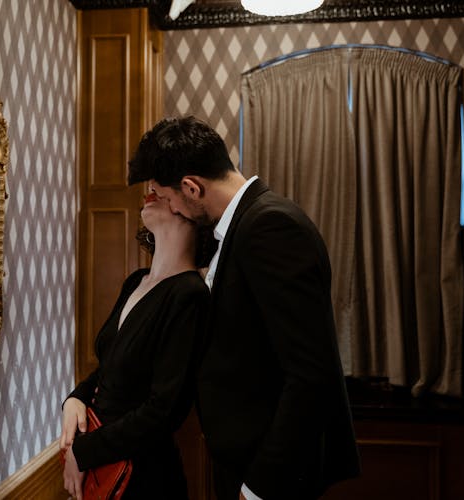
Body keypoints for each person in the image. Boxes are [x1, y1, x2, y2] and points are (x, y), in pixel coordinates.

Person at [127, 116, 361, 500]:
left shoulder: (269, 227)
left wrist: (258, 487)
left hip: (272, 473)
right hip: (245, 460)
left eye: (167, 198)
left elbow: (309, 375)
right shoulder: (237, 228)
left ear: (191, 187)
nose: (173, 209)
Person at [59, 190, 214, 499]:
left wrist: (84, 452)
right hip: (102, 463)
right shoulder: (136, 280)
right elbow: (111, 368)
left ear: (191, 212)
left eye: (163, 190)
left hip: (144, 476)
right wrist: (75, 398)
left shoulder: (190, 295)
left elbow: (164, 411)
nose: (149, 193)